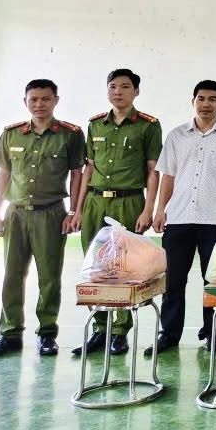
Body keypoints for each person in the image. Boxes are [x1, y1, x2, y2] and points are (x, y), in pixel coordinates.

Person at [0, 79, 86, 359]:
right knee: (11, 276)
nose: (39, 104)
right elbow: (3, 174)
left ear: (56, 100)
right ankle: (9, 334)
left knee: (49, 277)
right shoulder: (11, 134)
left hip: (51, 214)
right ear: (25, 101)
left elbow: (77, 174)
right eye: (34, 99)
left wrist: (73, 211)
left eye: (45, 99)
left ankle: (47, 334)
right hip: (15, 214)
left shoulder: (70, 135)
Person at [146, 80, 216, 356]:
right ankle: (169, 334)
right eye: (201, 98)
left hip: (215, 220)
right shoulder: (177, 135)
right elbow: (168, 176)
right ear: (193, 101)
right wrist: (160, 210)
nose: (206, 104)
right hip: (178, 218)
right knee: (173, 281)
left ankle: (212, 334)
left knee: (213, 281)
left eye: (212, 99)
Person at [73, 69, 163, 357]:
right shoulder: (95, 124)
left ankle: (120, 331)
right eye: (113, 86)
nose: (118, 92)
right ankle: (100, 328)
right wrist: (78, 209)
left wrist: (148, 208)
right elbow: (88, 169)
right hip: (95, 202)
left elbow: (153, 171)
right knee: (94, 266)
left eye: (125, 87)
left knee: (124, 267)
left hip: (128, 201)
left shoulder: (148, 126)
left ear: (136, 91)